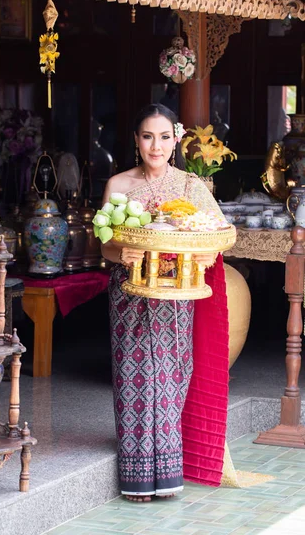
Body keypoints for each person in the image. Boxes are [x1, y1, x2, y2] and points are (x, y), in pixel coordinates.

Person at [102, 103, 230, 502]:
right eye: (146, 136)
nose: (155, 146)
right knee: (133, 376)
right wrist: (118, 253)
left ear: (176, 139)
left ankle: (169, 473)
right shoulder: (119, 185)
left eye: (163, 136)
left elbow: (221, 231)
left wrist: (207, 254)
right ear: (136, 140)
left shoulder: (191, 186)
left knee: (172, 377)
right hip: (130, 292)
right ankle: (137, 477)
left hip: (177, 293)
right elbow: (104, 242)